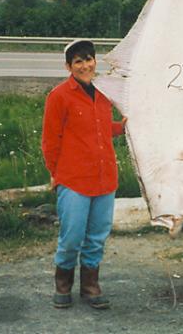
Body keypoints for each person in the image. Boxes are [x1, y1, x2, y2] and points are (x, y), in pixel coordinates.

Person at [41, 39, 125, 310]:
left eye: (89, 59)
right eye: (78, 61)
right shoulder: (59, 96)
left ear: (95, 61)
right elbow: (50, 140)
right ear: (69, 66)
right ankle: (62, 284)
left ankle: (90, 286)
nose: (85, 65)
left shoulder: (103, 93)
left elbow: (98, 128)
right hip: (74, 180)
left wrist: (120, 127)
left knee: (97, 235)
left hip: (104, 178)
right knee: (72, 236)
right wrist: (55, 173)